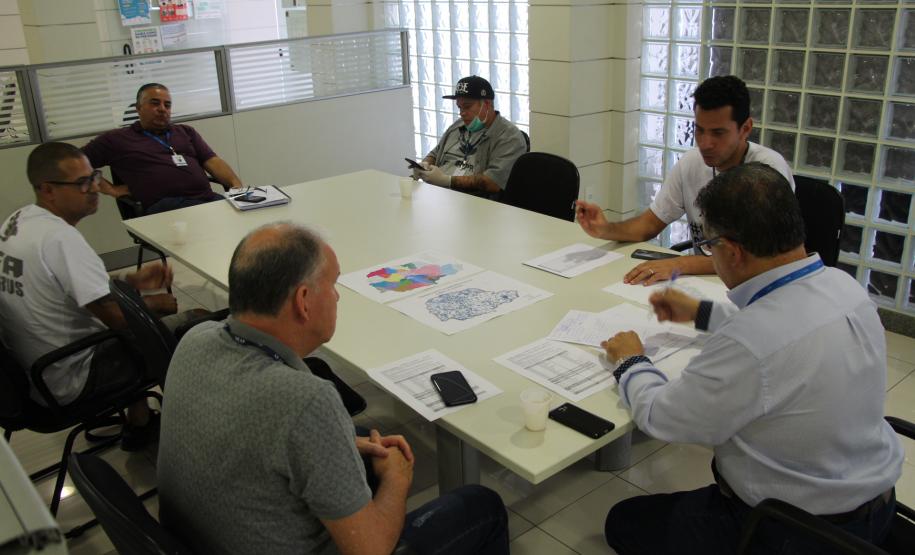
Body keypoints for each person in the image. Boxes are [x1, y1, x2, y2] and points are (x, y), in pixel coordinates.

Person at [601, 162, 903, 554]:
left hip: (792, 530)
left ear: (733, 252)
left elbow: (664, 417)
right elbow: (786, 328)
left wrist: (631, 362)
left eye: (709, 246)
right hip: (878, 506)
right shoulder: (843, 286)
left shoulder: (751, 341)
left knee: (622, 522)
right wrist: (700, 312)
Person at [157, 222, 509, 555]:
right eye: (334, 285)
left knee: (354, 436)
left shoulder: (195, 339)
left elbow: (236, 425)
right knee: (482, 506)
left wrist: (342, 443)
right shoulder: (306, 400)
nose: (338, 297)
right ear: (303, 300)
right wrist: (397, 479)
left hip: (204, 539)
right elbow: (371, 549)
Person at [0, 142, 183, 449]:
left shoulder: (17, 222)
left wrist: (130, 281)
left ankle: (139, 422)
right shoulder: (61, 238)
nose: (94, 188)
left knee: (134, 332)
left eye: (93, 177)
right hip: (72, 378)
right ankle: (194, 431)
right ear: (48, 190)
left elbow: (66, 287)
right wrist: (153, 305)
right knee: (192, 327)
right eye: (82, 183)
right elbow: (114, 317)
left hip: (31, 376)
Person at [575, 75, 794, 285]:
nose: (705, 143)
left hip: (754, 284)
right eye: (699, 130)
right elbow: (649, 225)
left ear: (745, 129)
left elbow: (755, 259)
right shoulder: (691, 163)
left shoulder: (768, 171)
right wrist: (605, 229)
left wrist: (681, 263)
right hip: (707, 282)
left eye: (718, 133)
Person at [82, 83, 243, 214]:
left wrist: (235, 184)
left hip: (205, 199)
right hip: (164, 207)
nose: (162, 109)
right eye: (155, 103)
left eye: (167, 105)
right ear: (138, 108)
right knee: (215, 222)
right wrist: (111, 189)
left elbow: (212, 161)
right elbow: (77, 162)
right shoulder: (117, 139)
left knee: (244, 215)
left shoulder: (185, 132)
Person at [414, 75, 526, 199]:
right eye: (459, 107)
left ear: (487, 104)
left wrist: (447, 180)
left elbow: (493, 182)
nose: (462, 113)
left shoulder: (509, 137)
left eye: (467, 106)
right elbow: (435, 153)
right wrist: (423, 165)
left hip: (475, 202)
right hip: (438, 194)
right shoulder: (457, 126)